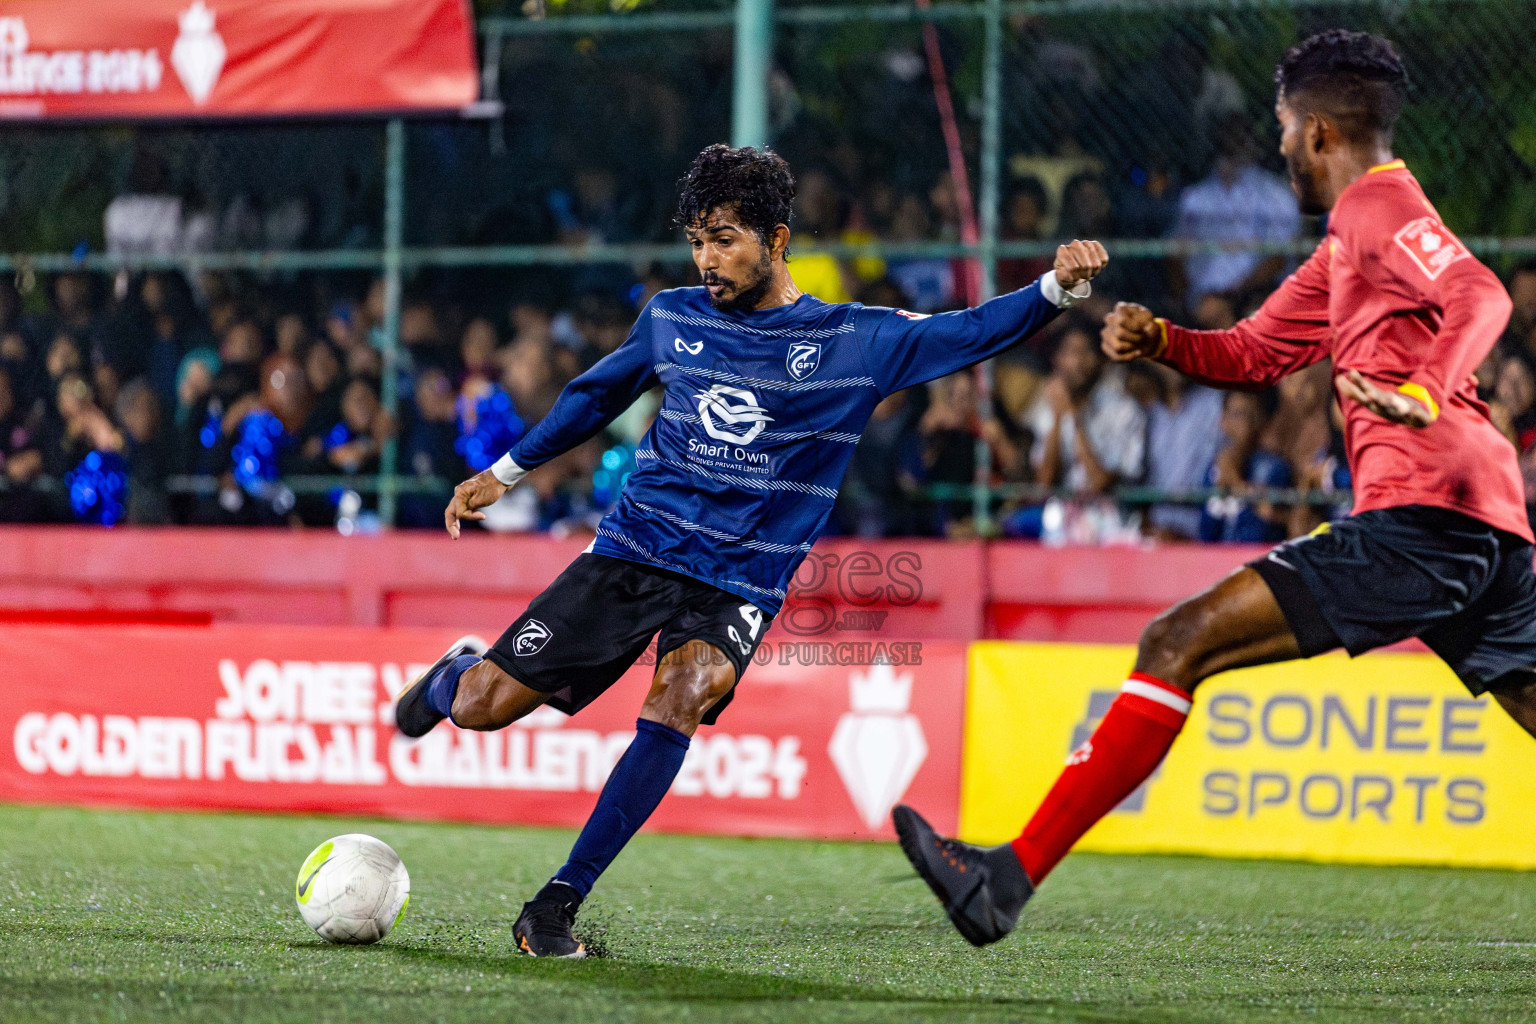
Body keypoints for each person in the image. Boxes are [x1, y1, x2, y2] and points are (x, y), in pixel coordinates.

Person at [894, 30, 1536, 948]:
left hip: (1424, 512)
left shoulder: (1377, 208)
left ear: (1316, 132)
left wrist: (1423, 389)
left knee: (1177, 639)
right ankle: (1004, 878)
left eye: (1281, 127)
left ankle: (1006, 878)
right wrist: (1163, 341)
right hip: (1484, 515)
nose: (1276, 146)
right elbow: (1252, 353)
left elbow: (1482, 296)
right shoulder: (1348, 246)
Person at [392, 144, 1107, 958]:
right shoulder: (673, 316)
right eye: (697, 240)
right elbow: (596, 394)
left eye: (724, 238)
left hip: (740, 578)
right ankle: (454, 675)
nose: (706, 260)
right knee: (487, 706)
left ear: (777, 239)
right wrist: (505, 471)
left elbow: (969, 332)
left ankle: (557, 901)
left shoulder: (853, 340)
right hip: (635, 550)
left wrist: (1058, 289)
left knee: (683, 692)